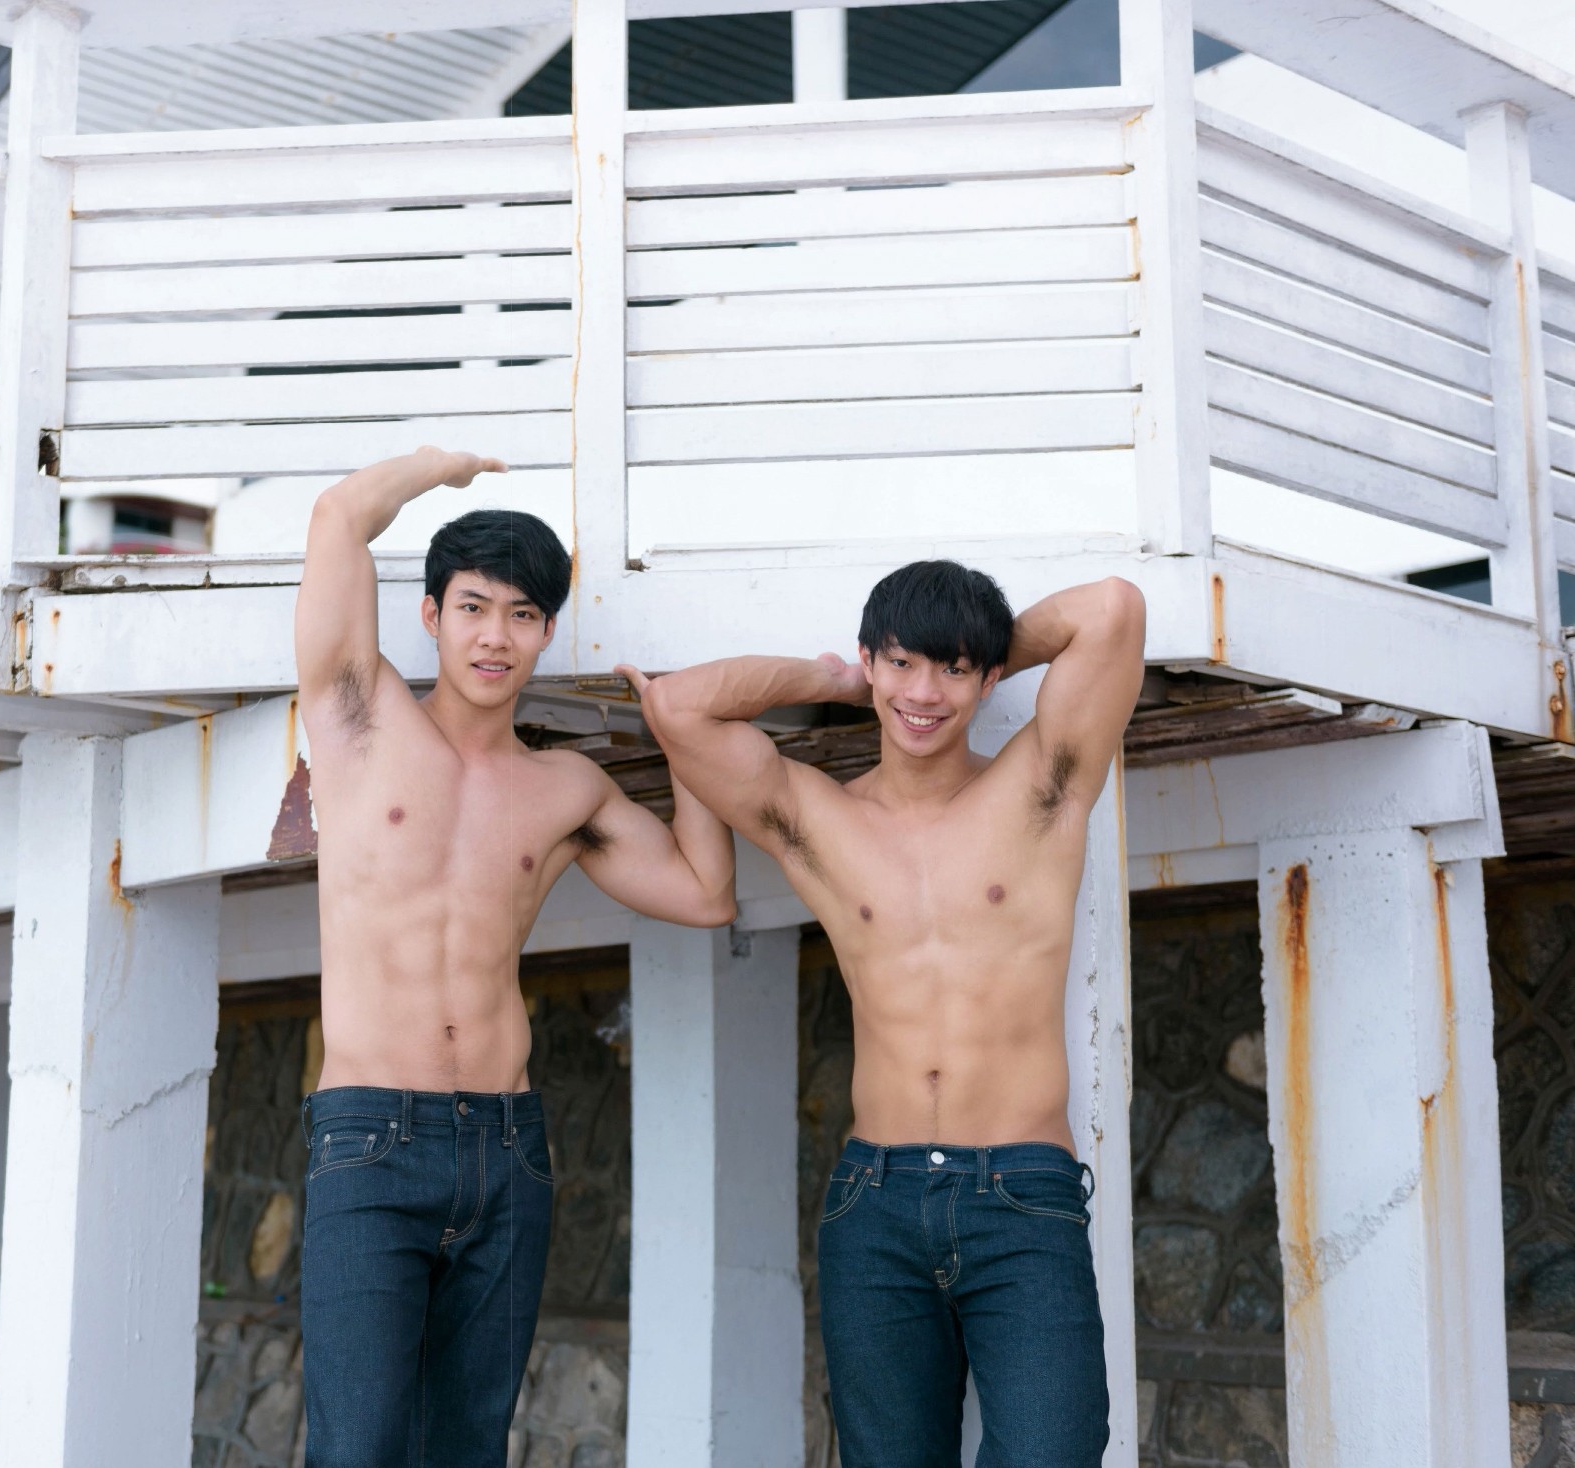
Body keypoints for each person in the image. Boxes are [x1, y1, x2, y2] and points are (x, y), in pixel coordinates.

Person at [631, 560, 1145, 1467]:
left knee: (1055, 1448)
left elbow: (1112, 609)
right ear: (871, 662)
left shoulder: (1040, 788)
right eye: (902, 663)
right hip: (877, 1200)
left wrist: (979, 648)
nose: (924, 693)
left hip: (1021, 1193)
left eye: (953, 671)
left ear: (989, 679)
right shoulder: (817, 818)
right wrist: (832, 679)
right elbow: (678, 707)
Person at [294, 447, 737, 1468]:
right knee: (356, 1448)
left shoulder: (565, 787)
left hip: (505, 1146)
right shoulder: (358, 717)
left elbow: (704, 892)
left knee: (468, 1447)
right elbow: (337, 516)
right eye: (474, 607)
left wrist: (685, 738)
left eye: (523, 614)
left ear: (545, 630)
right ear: (431, 615)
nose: (496, 635)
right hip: (371, 1139)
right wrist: (440, 467)